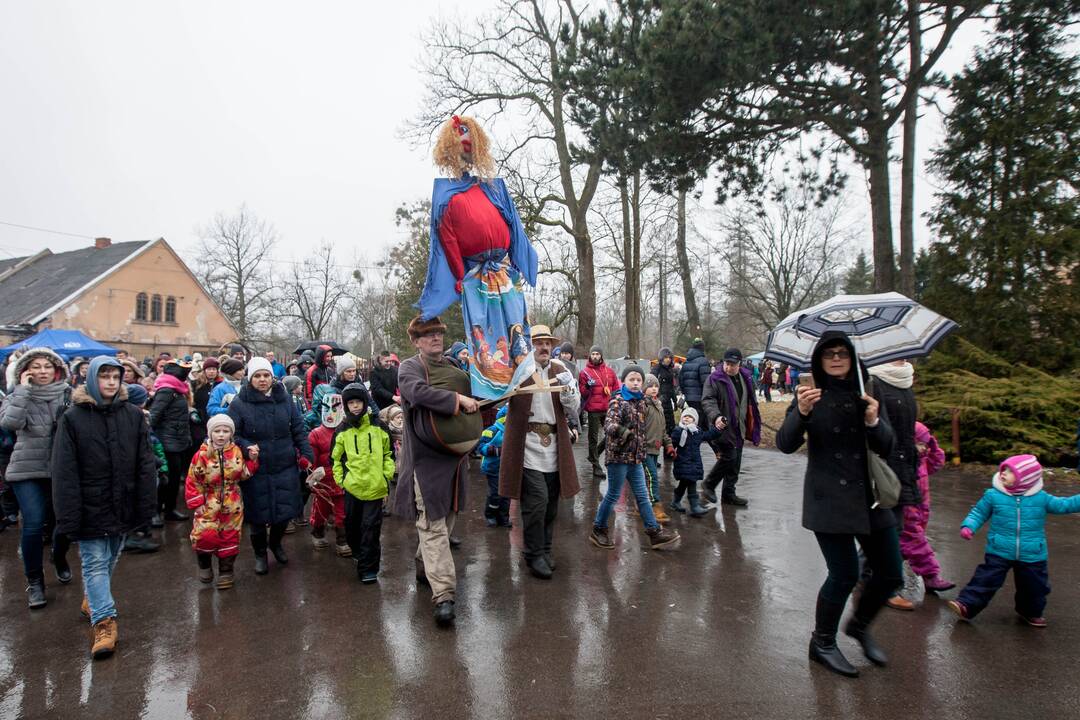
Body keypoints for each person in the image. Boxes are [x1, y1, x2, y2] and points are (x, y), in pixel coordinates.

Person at [775, 331, 899, 679]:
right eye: (828, 353)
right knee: (845, 574)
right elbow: (785, 443)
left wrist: (873, 420)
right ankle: (823, 643)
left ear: (851, 355)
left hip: (868, 497)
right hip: (827, 498)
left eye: (842, 352)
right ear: (819, 359)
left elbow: (888, 445)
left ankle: (859, 626)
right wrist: (800, 412)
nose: (836, 358)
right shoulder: (810, 394)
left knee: (891, 572)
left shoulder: (868, 391)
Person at [52, 357, 157, 659]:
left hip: (122, 500)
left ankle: (92, 598)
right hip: (89, 502)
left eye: (115, 377)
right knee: (94, 561)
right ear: (92, 380)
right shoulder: (72, 418)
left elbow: (144, 460)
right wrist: (68, 512)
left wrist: (145, 499)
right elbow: (64, 469)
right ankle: (104, 622)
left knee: (111, 555)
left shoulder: (133, 415)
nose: (111, 382)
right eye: (105, 377)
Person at [392, 315, 477, 626]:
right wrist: (456, 399)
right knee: (433, 523)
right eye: (427, 336)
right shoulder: (409, 368)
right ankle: (444, 595)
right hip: (426, 460)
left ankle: (422, 562)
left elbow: (476, 404)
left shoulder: (456, 369)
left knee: (448, 518)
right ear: (416, 341)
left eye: (438, 334)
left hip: (455, 459)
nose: (434, 339)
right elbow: (417, 393)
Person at [949, 455, 1080, 627]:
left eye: (1011, 472)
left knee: (1034, 587)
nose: (1003, 474)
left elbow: (1064, 505)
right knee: (986, 578)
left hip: (1032, 552)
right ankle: (967, 604)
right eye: (1004, 469)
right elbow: (978, 513)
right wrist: (969, 526)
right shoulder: (993, 495)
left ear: (1025, 479)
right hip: (999, 549)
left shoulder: (1041, 498)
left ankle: (1030, 612)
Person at [499, 325, 581, 578]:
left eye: (547, 343)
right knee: (537, 502)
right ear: (529, 345)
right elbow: (501, 398)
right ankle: (533, 554)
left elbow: (573, 406)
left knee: (551, 504)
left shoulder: (560, 369)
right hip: (527, 445)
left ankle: (545, 549)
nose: (544, 347)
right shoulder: (519, 370)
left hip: (554, 445)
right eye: (538, 342)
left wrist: (568, 389)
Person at [0, 348, 73, 608]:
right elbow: (10, 423)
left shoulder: (68, 395)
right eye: (36, 367)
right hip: (26, 469)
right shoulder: (17, 396)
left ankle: (59, 556)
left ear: (56, 370)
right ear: (26, 371)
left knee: (63, 523)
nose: (42, 371)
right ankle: (35, 581)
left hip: (60, 468)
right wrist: (21, 390)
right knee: (33, 524)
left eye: (47, 366)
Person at [227, 357, 314, 575]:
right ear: (250, 378)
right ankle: (259, 554)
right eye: (257, 376)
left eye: (266, 375)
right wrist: (246, 446)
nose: (262, 379)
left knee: (284, 513)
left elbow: (298, 429)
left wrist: (306, 453)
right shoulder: (239, 403)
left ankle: (275, 543)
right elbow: (233, 434)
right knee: (257, 515)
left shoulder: (285, 400)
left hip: (284, 464)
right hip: (257, 468)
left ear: (272, 377)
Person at [588, 365, 679, 551]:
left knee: (643, 496)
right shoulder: (618, 401)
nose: (636, 383)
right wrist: (623, 431)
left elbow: (654, 420)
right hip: (618, 457)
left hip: (636, 458)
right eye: (632, 379)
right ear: (624, 381)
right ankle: (598, 529)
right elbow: (609, 425)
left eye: (639, 380)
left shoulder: (642, 402)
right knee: (613, 494)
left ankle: (654, 533)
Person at [868, 359, 922, 611]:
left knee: (889, 527)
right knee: (890, 527)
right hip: (886, 464)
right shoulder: (874, 381)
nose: (900, 358)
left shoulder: (905, 379)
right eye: (893, 354)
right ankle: (886, 585)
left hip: (905, 461)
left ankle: (869, 576)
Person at [185, 414, 257, 590]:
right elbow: (192, 479)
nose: (221, 435)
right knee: (205, 536)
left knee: (230, 537)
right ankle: (204, 565)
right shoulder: (201, 454)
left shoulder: (236, 452)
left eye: (225, 431)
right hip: (209, 501)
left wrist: (253, 461)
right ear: (211, 433)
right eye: (217, 431)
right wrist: (197, 502)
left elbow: (243, 474)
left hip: (232, 502)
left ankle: (226, 571)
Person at [334, 383, 395, 583]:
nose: (355, 406)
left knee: (370, 527)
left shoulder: (379, 426)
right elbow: (336, 459)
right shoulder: (342, 430)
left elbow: (389, 454)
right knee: (352, 526)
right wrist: (342, 481)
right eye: (350, 403)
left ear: (365, 402)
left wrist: (385, 476)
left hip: (376, 487)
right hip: (353, 487)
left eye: (358, 401)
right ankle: (358, 552)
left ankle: (369, 568)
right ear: (345, 405)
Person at [701, 348, 761, 507]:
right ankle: (709, 484)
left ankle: (729, 494)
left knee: (736, 462)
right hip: (722, 426)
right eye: (727, 363)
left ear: (739, 364)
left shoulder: (745, 377)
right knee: (729, 457)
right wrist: (716, 416)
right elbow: (708, 400)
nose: (729, 367)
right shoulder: (715, 379)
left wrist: (753, 417)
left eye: (733, 364)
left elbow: (750, 400)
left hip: (739, 425)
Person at [901, 422, 953, 592]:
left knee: (900, 547)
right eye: (920, 443)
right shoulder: (906, 462)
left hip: (922, 509)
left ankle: (865, 572)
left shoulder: (923, 460)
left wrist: (932, 443)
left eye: (926, 444)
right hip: (909, 509)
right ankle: (931, 576)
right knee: (916, 543)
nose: (924, 448)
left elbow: (937, 463)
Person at [148, 359, 194, 523]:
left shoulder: (177, 389)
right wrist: (150, 440)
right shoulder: (167, 390)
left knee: (174, 478)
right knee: (165, 479)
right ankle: (156, 512)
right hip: (167, 441)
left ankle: (170, 509)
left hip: (177, 439)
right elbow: (154, 414)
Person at [307, 384, 348, 555]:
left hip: (342, 477)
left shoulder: (347, 431)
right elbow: (311, 457)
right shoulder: (316, 434)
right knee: (320, 510)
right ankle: (318, 532)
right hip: (324, 480)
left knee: (342, 511)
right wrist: (310, 468)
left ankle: (342, 540)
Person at [122, 383, 163, 553]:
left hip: (146, 464)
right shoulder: (130, 417)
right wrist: (155, 461)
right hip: (136, 467)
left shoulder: (139, 415)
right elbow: (135, 445)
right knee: (136, 499)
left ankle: (139, 532)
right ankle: (133, 535)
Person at [668, 407, 720, 517]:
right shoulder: (678, 431)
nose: (687, 418)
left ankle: (675, 502)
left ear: (695, 420)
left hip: (694, 463)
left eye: (690, 417)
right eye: (685, 416)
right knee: (691, 484)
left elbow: (708, 435)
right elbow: (672, 442)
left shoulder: (697, 432)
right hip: (682, 463)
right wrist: (670, 449)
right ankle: (694, 506)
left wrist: (717, 429)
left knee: (684, 484)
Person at [578, 345, 619, 478]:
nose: (595, 356)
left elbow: (617, 389)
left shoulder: (610, 372)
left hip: (607, 408)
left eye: (597, 354)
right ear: (590, 356)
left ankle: (594, 454)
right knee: (593, 438)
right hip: (593, 409)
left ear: (601, 355)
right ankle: (596, 466)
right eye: (593, 354)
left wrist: (616, 403)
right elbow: (582, 393)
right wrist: (587, 387)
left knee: (611, 434)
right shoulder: (584, 372)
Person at [642, 374, 673, 522]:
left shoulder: (658, 405)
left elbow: (663, 429)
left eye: (656, 386)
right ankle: (656, 507)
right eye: (650, 386)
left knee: (645, 479)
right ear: (644, 388)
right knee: (653, 477)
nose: (654, 389)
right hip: (645, 449)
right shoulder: (643, 405)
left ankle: (640, 505)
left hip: (655, 449)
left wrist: (668, 444)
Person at [476, 406, 510, 528]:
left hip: (508, 469)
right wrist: (494, 450)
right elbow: (480, 447)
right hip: (492, 468)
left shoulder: (514, 431)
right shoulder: (492, 430)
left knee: (507, 494)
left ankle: (504, 518)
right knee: (495, 493)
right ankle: (490, 515)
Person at [190, 357, 221, 460]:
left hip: (215, 419)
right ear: (204, 370)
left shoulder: (221, 384)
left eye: (214, 369)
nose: (211, 372)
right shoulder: (196, 384)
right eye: (209, 369)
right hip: (199, 419)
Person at [679, 338, 711, 417]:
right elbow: (706, 382)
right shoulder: (703, 361)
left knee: (691, 419)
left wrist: (685, 393)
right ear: (702, 348)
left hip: (688, 398)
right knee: (701, 421)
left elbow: (681, 379)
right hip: (700, 398)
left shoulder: (686, 361)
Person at [653, 347, 678, 434]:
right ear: (661, 358)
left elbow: (671, 387)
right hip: (659, 401)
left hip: (668, 401)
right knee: (660, 426)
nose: (668, 360)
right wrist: (658, 396)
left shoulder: (670, 370)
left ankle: (669, 446)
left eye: (669, 358)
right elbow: (651, 383)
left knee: (671, 426)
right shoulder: (656, 368)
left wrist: (675, 401)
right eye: (666, 357)